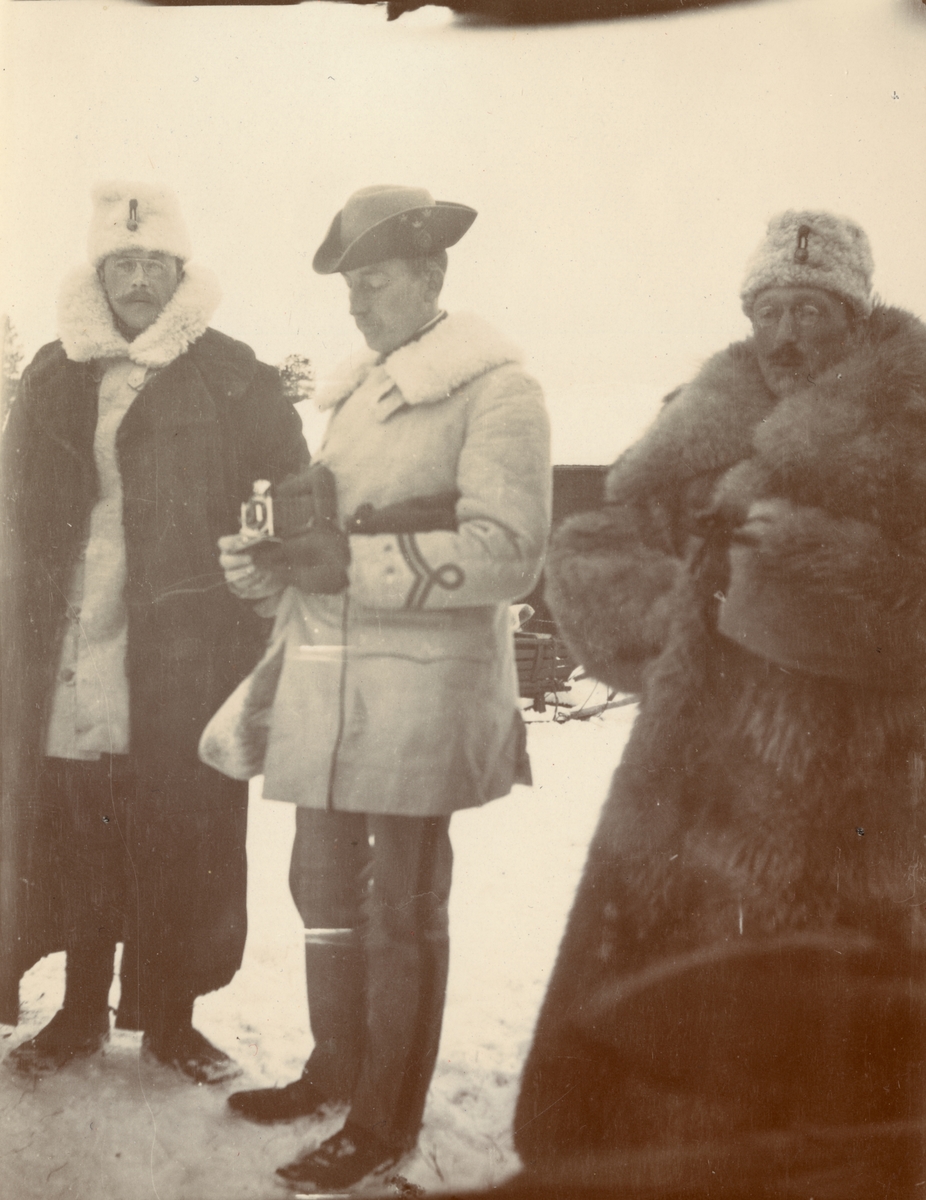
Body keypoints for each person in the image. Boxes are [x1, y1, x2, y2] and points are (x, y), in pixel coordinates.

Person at [513, 211, 926, 1197]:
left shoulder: (911, 425)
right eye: (769, 310)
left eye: (812, 311)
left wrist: (820, 570)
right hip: (685, 781)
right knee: (664, 1020)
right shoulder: (698, 416)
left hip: (852, 801)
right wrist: (680, 622)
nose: (786, 334)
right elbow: (593, 544)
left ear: (854, 314)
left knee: (820, 1052)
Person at [218, 184, 551, 1191]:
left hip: (419, 696)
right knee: (321, 889)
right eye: (350, 287)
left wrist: (350, 564)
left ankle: (383, 1117)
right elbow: (325, 541)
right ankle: (335, 1066)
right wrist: (267, 566)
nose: (355, 304)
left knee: (402, 907)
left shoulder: (498, 391)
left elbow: (510, 554)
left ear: (432, 275)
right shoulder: (357, 395)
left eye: (374, 283)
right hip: (327, 684)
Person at [0, 182, 308, 1084]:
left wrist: (267, 567)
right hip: (69, 643)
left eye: (155, 264)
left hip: (187, 652)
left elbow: (292, 494)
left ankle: (172, 1021)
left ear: (181, 271)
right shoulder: (53, 373)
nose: (138, 280)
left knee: (180, 828)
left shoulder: (233, 375)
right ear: (99, 274)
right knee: (79, 820)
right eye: (122, 263)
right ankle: (79, 1012)